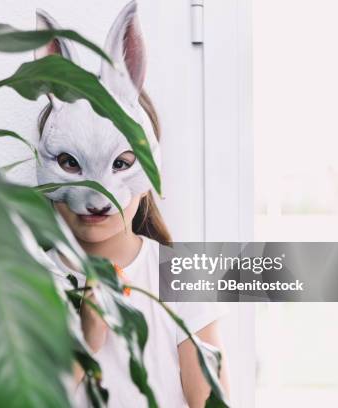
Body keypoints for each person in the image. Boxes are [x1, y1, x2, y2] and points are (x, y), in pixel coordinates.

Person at [35, 2, 229, 407]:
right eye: (71, 163)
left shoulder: (179, 276)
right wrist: (84, 341)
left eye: (121, 164)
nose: (96, 197)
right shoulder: (25, 280)